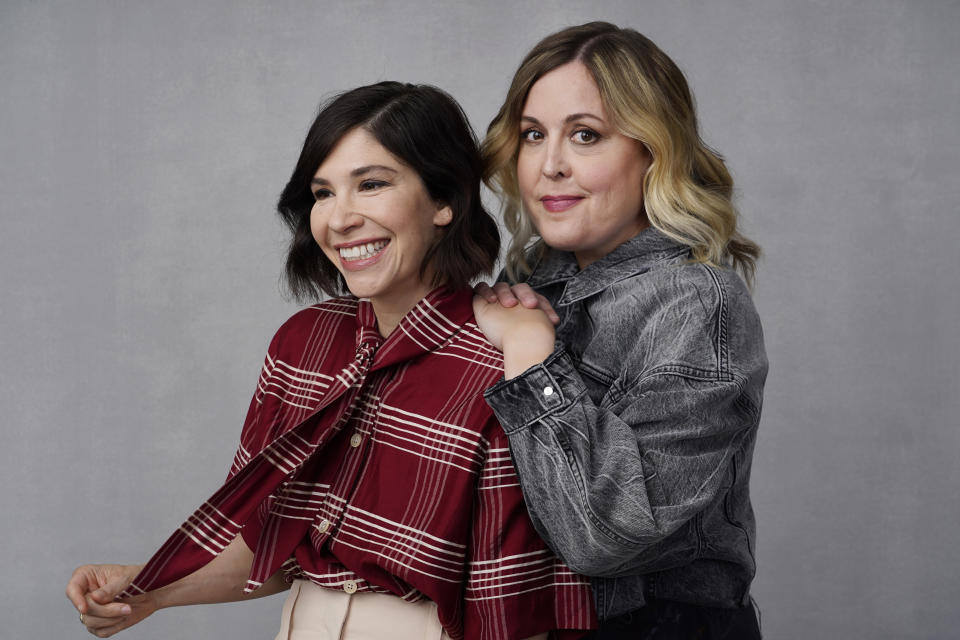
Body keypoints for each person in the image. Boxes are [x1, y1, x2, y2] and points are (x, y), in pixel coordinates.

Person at [66, 82, 597, 640]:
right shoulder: (303, 343)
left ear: (444, 201)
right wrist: (143, 590)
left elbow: (513, 598)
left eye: (370, 185)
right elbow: (266, 547)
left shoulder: (507, 364)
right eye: (323, 193)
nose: (339, 219)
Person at [472, 22, 768, 639]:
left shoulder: (696, 302)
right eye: (533, 136)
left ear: (654, 151)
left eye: (586, 135)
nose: (550, 166)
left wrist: (529, 350)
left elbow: (604, 533)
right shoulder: (530, 277)